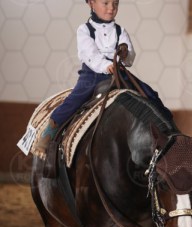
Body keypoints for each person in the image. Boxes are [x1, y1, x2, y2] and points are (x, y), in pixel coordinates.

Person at [33, 0, 171, 155]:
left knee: (149, 93)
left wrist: (125, 53)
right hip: (93, 73)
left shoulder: (120, 31)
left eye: (115, 3)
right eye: (105, 3)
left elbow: (129, 58)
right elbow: (90, 54)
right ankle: (50, 130)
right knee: (76, 98)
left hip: (118, 72)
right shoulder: (85, 30)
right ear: (91, 3)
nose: (111, 8)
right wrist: (106, 65)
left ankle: (168, 129)